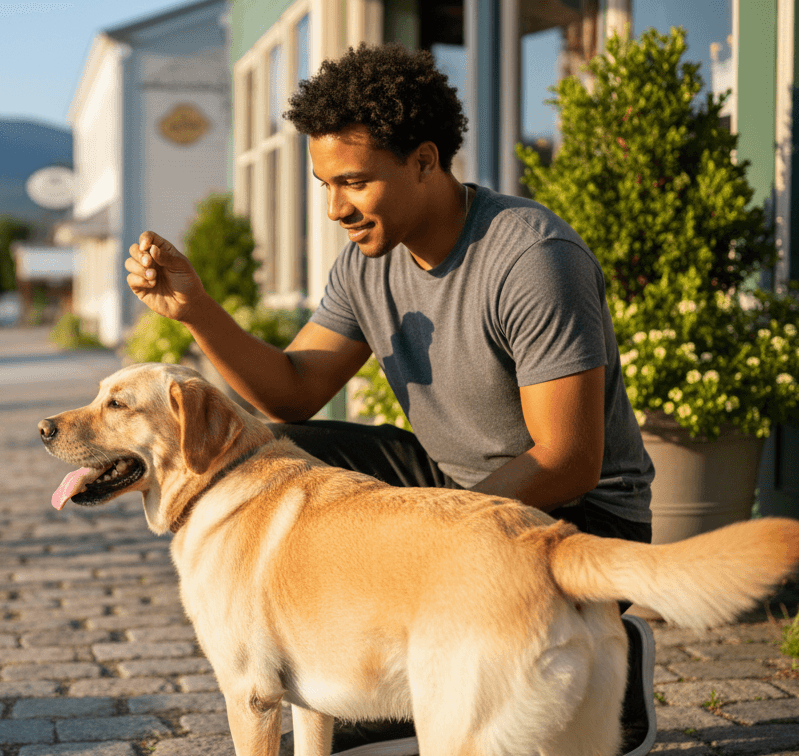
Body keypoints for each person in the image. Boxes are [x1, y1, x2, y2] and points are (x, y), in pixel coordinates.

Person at [125, 43, 656, 756]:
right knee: (282, 457)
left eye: (354, 182)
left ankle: (600, 654)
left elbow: (568, 460)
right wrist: (195, 310)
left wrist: (426, 552)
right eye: (325, 185)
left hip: (575, 518)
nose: (336, 208)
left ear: (426, 162)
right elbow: (294, 391)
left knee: (397, 722)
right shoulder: (367, 265)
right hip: (454, 495)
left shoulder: (531, 259)